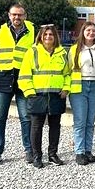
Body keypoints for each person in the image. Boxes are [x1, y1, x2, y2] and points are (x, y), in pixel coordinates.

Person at [0, 3, 36, 166]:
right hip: (2, 80)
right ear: (9, 15)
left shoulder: (33, 32)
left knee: (26, 117)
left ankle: (29, 150)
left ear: (25, 16)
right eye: (14, 14)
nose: (17, 17)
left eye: (20, 15)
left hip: (24, 81)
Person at [18, 25, 71, 169]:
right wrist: (29, 92)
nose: (48, 37)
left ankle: (53, 154)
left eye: (51, 35)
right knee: (36, 127)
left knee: (55, 126)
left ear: (55, 37)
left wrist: (66, 89)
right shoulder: (32, 52)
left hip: (56, 95)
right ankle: (37, 156)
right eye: (45, 34)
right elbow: (24, 74)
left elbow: (67, 74)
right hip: (38, 95)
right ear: (40, 36)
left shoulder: (62, 53)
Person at [68, 21, 95, 165]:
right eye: (88, 31)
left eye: (93, 31)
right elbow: (67, 70)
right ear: (83, 32)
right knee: (80, 121)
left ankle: (88, 150)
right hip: (79, 87)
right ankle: (79, 152)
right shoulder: (74, 49)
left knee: (90, 122)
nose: (91, 33)